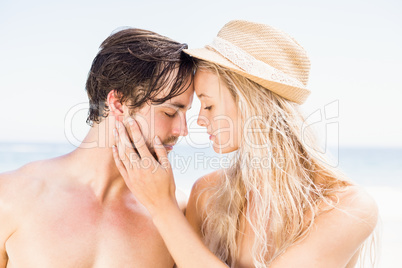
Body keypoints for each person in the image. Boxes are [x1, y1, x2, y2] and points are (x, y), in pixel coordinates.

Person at [112, 20, 379, 267]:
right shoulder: (206, 194)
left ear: (252, 105)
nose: (199, 121)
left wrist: (162, 206)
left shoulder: (347, 206)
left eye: (209, 105)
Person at [0, 28, 194, 267]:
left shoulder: (175, 213)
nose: (182, 130)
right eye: (170, 112)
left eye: (185, 114)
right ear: (118, 103)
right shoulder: (10, 195)